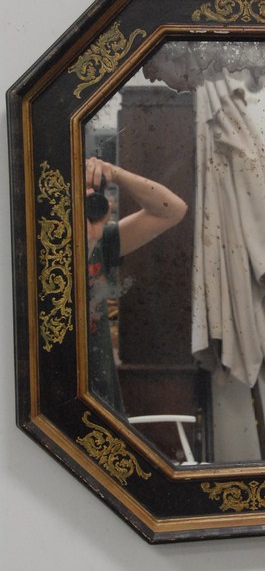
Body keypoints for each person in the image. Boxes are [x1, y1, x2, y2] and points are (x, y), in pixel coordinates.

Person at [86, 156, 187, 414]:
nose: (87, 199)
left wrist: (114, 173)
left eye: (89, 192)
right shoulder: (34, 252)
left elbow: (173, 210)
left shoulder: (101, 242)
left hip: (106, 405)